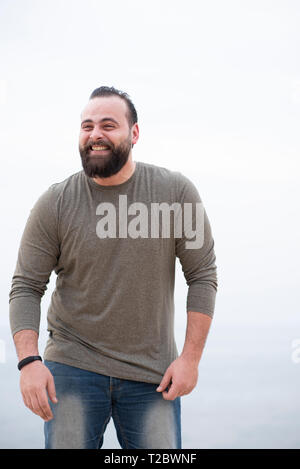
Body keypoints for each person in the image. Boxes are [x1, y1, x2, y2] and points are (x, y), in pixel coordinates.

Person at [9, 86, 218, 449]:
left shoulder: (175, 192)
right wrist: (29, 362)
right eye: (87, 126)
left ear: (134, 133)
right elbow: (26, 285)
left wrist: (190, 359)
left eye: (108, 125)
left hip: (151, 377)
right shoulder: (55, 203)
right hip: (72, 370)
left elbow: (202, 276)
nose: (95, 135)